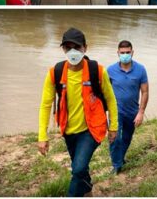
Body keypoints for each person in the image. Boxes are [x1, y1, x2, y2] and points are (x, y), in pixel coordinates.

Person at [38, 28, 119, 197]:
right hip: (68, 131)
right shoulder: (55, 73)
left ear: (85, 48)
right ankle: (87, 190)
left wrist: (113, 127)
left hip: (92, 129)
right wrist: (42, 136)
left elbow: (111, 100)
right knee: (80, 168)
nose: (72, 52)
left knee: (78, 168)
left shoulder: (98, 71)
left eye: (77, 47)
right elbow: (46, 105)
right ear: (63, 50)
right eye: (68, 48)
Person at [107, 40, 148, 174]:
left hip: (132, 111)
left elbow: (145, 91)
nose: (125, 55)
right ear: (118, 53)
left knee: (126, 138)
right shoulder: (110, 70)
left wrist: (141, 113)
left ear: (132, 53)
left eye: (127, 52)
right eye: (122, 52)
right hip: (116, 111)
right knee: (115, 137)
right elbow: (104, 92)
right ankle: (116, 165)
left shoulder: (140, 69)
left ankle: (120, 158)